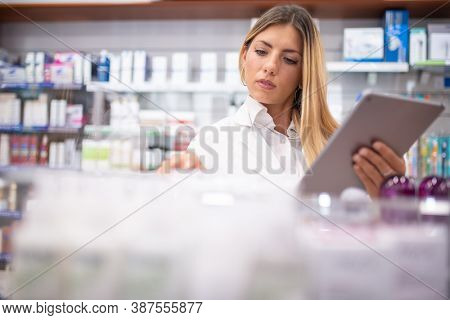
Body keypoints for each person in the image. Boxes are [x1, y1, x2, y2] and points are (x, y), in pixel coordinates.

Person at [158, 5, 406, 198]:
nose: (270, 67)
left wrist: (386, 196)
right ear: (245, 56)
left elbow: (357, 230)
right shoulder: (211, 140)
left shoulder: (335, 145)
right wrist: (169, 187)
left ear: (304, 74)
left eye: (289, 60)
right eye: (261, 52)